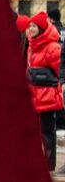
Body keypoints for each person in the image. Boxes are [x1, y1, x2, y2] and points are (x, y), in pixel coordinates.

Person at [21, 12, 61, 171]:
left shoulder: (53, 47)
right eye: (29, 25)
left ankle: (49, 166)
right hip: (34, 95)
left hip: (48, 97)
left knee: (47, 133)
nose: (30, 29)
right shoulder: (32, 45)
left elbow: (59, 73)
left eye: (33, 26)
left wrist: (42, 77)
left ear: (41, 27)